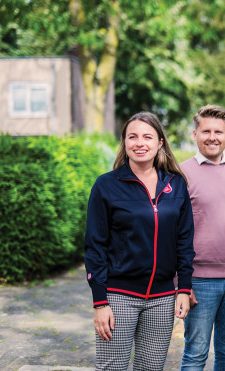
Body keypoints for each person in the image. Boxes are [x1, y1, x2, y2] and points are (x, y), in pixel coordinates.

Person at [84, 111, 195, 371]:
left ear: (160, 143)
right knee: (112, 367)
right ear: (124, 143)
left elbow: (184, 241)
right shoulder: (106, 186)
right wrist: (100, 302)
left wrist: (184, 288)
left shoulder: (176, 185)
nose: (139, 143)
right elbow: (94, 247)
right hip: (118, 297)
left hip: (163, 298)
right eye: (132, 137)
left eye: (147, 136)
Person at [179, 105, 225, 371]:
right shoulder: (180, 174)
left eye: (219, 132)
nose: (212, 137)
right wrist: (181, 283)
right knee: (195, 353)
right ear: (195, 134)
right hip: (198, 281)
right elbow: (172, 232)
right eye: (206, 131)